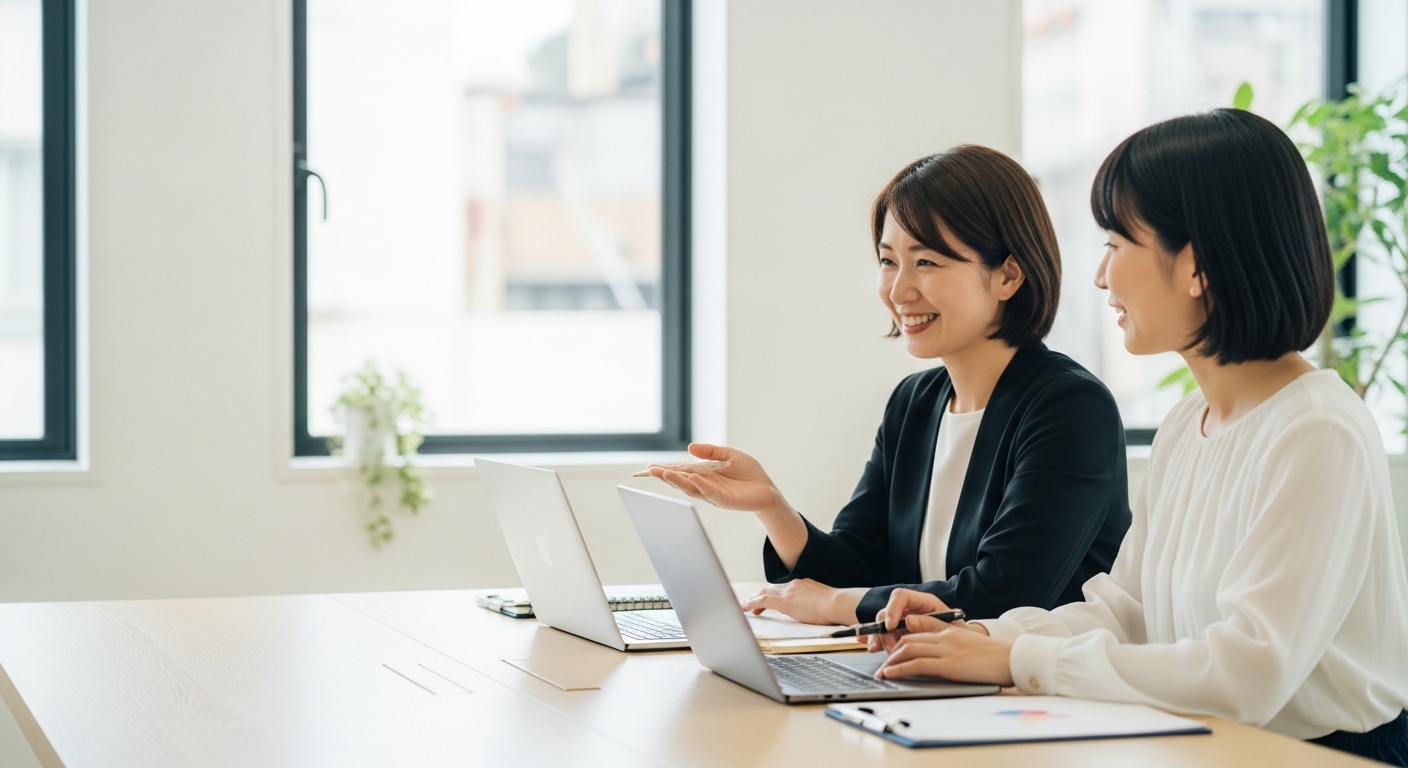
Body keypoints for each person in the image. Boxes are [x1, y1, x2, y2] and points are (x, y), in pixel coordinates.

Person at [869, 109, 1408, 765]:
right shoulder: (1189, 424)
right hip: (1210, 743)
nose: (1101, 277)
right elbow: (1124, 610)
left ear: (1198, 266)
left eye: (1117, 245)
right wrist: (975, 636)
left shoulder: (1317, 431)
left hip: (1325, 754)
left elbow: (1246, 674)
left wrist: (1017, 656)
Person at [646, 145, 1131, 626]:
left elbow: (1006, 594)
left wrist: (838, 606)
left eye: (927, 263)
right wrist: (771, 505)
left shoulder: (1070, 407)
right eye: (887, 261)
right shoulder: (915, 403)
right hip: (928, 677)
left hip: (1034, 686)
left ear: (1007, 275)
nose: (898, 291)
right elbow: (856, 568)